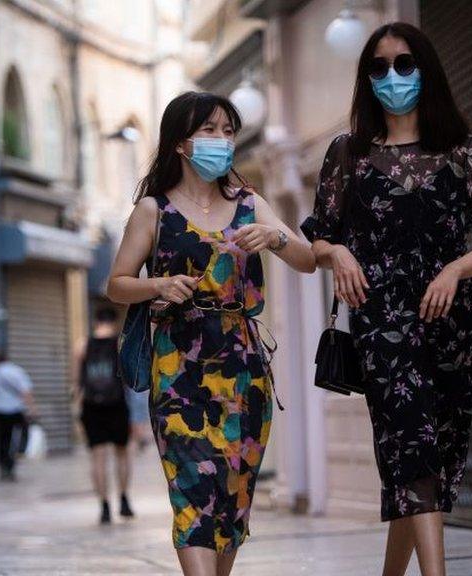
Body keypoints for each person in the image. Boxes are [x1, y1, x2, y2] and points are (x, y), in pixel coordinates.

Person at [301, 22, 472, 576]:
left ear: (425, 70)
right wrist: (338, 255)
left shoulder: (460, 150)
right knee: (413, 443)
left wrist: (456, 270)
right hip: (382, 322)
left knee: (426, 456)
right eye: (378, 67)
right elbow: (319, 235)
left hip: (452, 320)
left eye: (403, 64)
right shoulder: (347, 154)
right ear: (366, 79)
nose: (391, 77)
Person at [106, 91, 315, 576]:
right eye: (210, 130)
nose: (222, 140)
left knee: (233, 498)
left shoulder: (250, 204)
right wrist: (157, 283)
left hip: (244, 373)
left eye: (228, 131)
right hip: (178, 371)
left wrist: (276, 238)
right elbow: (117, 284)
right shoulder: (152, 211)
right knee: (191, 496)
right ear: (180, 143)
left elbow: (307, 260)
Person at [72, 306, 135, 524]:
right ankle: (124, 499)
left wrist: (77, 410)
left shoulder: (82, 345)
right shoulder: (120, 343)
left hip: (92, 406)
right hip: (117, 403)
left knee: (98, 458)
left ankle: (104, 506)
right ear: (115, 322)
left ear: (96, 321)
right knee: (122, 454)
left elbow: (76, 382)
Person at [0, 351, 36, 482]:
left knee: (2, 440)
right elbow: (26, 392)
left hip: (1, 413)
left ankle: (4, 467)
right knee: (18, 437)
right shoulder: (18, 372)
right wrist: (32, 409)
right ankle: (14, 460)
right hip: (17, 411)